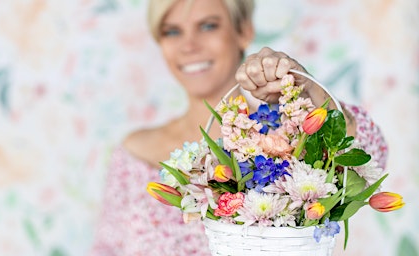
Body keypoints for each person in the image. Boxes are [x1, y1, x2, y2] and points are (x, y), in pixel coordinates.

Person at [89, 0, 388, 255]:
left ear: (243, 31)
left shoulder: (288, 142)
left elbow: (370, 154)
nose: (189, 45)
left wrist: (309, 90)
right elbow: (106, 248)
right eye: (172, 31)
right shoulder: (133, 152)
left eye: (208, 26)